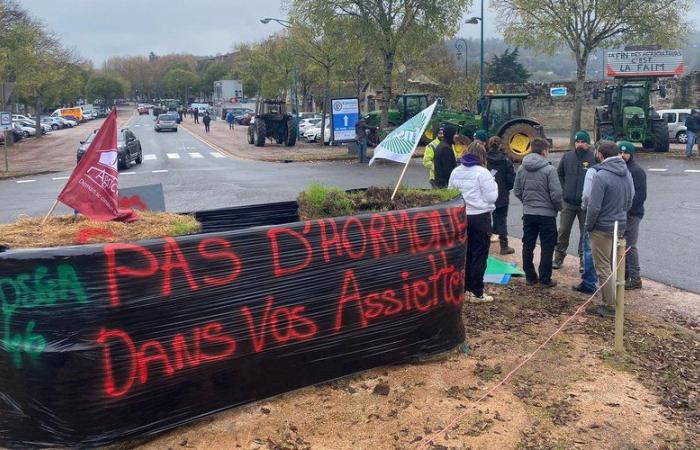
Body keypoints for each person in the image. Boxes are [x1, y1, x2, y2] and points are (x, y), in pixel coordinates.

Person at [585, 140, 635, 317]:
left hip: (602, 227)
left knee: (603, 266)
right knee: (614, 264)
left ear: (600, 154)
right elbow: (630, 199)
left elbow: (594, 206)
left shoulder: (601, 175)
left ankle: (609, 305)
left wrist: (589, 225)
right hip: (619, 224)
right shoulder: (626, 173)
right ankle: (613, 301)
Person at [449, 141, 498, 303]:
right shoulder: (483, 173)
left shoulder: (456, 171)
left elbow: (450, 193)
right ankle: (476, 291)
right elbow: (492, 197)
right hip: (480, 216)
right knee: (479, 254)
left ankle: (463, 288)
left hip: (461, 216)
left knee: (465, 254)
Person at [513, 137, 562, 287]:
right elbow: (556, 194)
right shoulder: (550, 170)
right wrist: (558, 207)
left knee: (528, 244)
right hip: (547, 214)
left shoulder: (522, 168)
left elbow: (517, 190)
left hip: (529, 213)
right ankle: (545, 278)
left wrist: (527, 203)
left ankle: (530, 276)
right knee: (547, 245)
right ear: (544, 151)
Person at [553, 130, 596, 271]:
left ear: (588, 143)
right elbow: (559, 174)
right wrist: (564, 190)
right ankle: (559, 257)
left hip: (586, 205)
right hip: (568, 202)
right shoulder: (567, 156)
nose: (580, 144)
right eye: (578, 141)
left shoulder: (593, 158)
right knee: (563, 230)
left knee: (585, 233)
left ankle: (583, 260)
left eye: (583, 142)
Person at [572, 143, 602, 294]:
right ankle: (609, 287)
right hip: (616, 219)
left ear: (599, 154)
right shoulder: (625, 171)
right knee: (608, 254)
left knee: (589, 249)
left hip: (596, 216)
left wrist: (585, 208)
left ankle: (590, 284)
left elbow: (587, 196)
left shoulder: (594, 171)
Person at [618, 140, 647, 290]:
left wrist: (628, 211)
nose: (622, 155)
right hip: (620, 213)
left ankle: (635, 278)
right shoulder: (618, 169)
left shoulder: (636, 171)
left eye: (626, 153)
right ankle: (624, 274)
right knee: (621, 246)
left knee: (630, 246)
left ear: (631, 154)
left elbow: (640, 196)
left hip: (633, 214)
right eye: (620, 152)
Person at [486, 136, 516, 255]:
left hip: (487, 194)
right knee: (502, 219)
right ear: (500, 146)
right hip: (502, 194)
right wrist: (505, 188)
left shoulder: (485, 159)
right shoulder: (506, 161)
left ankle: (487, 238)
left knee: (487, 218)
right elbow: (511, 180)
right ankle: (504, 246)